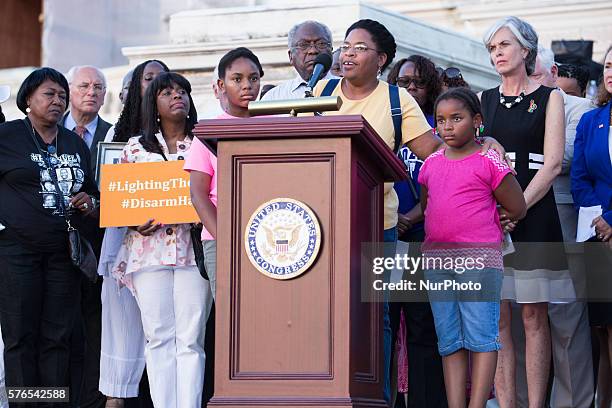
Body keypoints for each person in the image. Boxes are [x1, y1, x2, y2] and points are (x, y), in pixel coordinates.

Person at [313, 18, 509, 404]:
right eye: (346, 46)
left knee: (377, 318)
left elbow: (440, 153)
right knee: (325, 313)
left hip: (375, 227)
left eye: (359, 47)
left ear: (381, 58)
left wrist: (482, 143)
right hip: (321, 225)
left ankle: (376, 397)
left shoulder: (395, 101)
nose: (348, 53)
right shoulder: (321, 91)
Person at [419, 87, 526, 408]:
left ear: (477, 121)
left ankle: (476, 404)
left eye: (456, 118)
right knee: (449, 340)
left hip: (480, 261)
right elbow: (430, 206)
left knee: (481, 338)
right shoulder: (431, 164)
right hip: (438, 262)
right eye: (440, 120)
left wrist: (500, 219)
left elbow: (517, 205)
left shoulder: (488, 160)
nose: (447, 127)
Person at [480, 16, 566, 407]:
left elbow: (551, 165)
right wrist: (501, 212)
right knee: (498, 320)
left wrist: (517, 207)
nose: (497, 53)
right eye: (492, 48)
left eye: (503, 45)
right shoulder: (483, 100)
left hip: (535, 215)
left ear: (526, 49)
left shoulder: (551, 97)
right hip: (492, 219)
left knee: (533, 316)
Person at [112, 72, 211, 408]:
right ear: (153, 102)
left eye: (182, 91)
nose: (177, 97)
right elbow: (122, 200)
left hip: (191, 251)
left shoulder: (205, 143)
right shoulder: (135, 148)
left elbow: (215, 191)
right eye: (167, 92)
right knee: (158, 338)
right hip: (148, 252)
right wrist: (133, 221)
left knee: (190, 339)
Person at [0, 67, 97, 400]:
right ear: (28, 99)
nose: (58, 101)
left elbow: (89, 190)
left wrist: (89, 201)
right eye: (49, 94)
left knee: (57, 337)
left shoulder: (73, 142)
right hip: (16, 252)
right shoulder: (7, 137)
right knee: (20, 336)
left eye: (62, 96)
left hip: (62, 254)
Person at [528, 46, 596, 408]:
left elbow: (564, 157)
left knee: (566, 318)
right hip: (516, 221)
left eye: (535, 74)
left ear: (552, 72)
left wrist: (520, 145)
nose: (529, 82)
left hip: (562, 218)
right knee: (523, 317)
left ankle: (574, 403)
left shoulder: (579, 108)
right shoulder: (501, 103)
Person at [98, 60, 168, 408]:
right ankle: (115, 398)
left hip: (168, 246)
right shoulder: (117, 134)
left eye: (164, 80)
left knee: (161, 332)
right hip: (124, 242)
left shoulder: (180, 132)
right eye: (150, 79)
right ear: (137, 87)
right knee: (120, 327)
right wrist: (129, 220)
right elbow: (110, 191)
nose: (157, 86)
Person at [386, 55, 447, 406]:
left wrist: (413, 213)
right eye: (404, 82)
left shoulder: (435, 127)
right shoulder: (385, 122)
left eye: (418, 83)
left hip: (424, 237)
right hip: (387, 236)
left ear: (431, 87)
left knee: (424, 325)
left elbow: (443, 178)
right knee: (386, 324)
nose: (410, 88)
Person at [186, 47, 264, 300]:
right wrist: (226, 240)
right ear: (221, 85)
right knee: (232, 315)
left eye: (253, 78)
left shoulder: (273, 124)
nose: (247, 86)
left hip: (268, 235)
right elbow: (198, 195)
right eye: (237, 79)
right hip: (222, 239)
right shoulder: (209, 132)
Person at [63, 65, 113, 408]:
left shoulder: (115, 135)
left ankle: (90, 400)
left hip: (98, 245)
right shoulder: (43, 132)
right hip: (51, 247)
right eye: (83, 85)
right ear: (68, 90)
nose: (91, 92)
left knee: (95, 329)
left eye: (98, 87)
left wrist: (97, 205)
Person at [571, 45, 612, 408]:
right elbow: (580, 177)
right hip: (599, 235)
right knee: (600, 325)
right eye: (610, 65)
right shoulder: (591, 119)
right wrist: (601, 220)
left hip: (608, 224)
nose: (611, 72)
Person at [262, 20, 334, 100]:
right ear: (291, 56)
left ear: (331, 51)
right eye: (303, 45)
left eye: (321, 44)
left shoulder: (348, 90)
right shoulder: (274, 97)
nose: (313, 50)